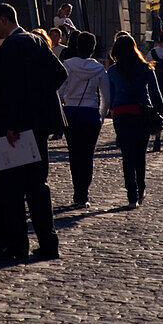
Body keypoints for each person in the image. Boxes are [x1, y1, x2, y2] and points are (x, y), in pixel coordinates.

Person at [0, 3, 67, 260]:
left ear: (5, 20)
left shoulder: (12, 46)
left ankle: (18, 246)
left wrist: (12, 124)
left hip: (15, 132)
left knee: (13, 189)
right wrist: (37, 105)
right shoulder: (37, 41)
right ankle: (48, 243)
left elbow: (9, 91)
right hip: (37, 128)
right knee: (38, 187)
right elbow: (59, 74)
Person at [108, 33, 163, 208]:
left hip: (121, 114)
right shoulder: (146, 68)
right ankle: (141, 189)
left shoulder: (112, 71)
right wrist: (161, 113)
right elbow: (156, 93)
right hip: (141, 114)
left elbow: (111, 96)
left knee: (127, 155)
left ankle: (131, 195)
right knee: (140, 154)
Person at [60, 31, 110, 207]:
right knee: (87, 155)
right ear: (93, 49)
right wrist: (102, 115)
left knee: (74, 154)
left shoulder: (67, 65)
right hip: (90, 113)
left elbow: (59, 91)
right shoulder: (99, 69)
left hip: (70, 113)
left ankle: (76, 191)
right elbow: (106, 96)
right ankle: (83, 194)